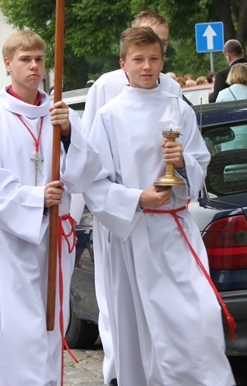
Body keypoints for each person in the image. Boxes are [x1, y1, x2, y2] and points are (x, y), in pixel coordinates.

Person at [84, 26, 235, 385]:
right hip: (136, 236)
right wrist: (138, 198)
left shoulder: (178, 109)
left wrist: (181, 162)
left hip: (177, 230)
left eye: (153, 59)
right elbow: (94, 181)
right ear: (124, 64)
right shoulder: (109, 116)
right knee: (147, 331)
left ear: (162, 60)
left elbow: (200, 161)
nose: (147, 67)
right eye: (138, 60)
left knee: (199, 317)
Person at [0, 30, 100, 385]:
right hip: (13, 243)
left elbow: (87, 171)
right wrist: (35, 198)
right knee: (17, 332)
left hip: (53, 240)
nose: (33, 66)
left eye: (39, 59)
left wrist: (71, 134)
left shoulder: (60, 114)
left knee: (50, 327)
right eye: (25, 59)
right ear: (8, 63)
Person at [72, 10, 182, 386]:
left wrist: (179, 170)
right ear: (126, 56)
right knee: (123, 310)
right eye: (142, 52)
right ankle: (122, 374)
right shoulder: (105, 90)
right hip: (123, 219)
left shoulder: (173, 91)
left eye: (160, 49)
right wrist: (82, 215)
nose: (149, 62)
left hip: (167, 219)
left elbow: (186, 148)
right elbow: (90, 159)